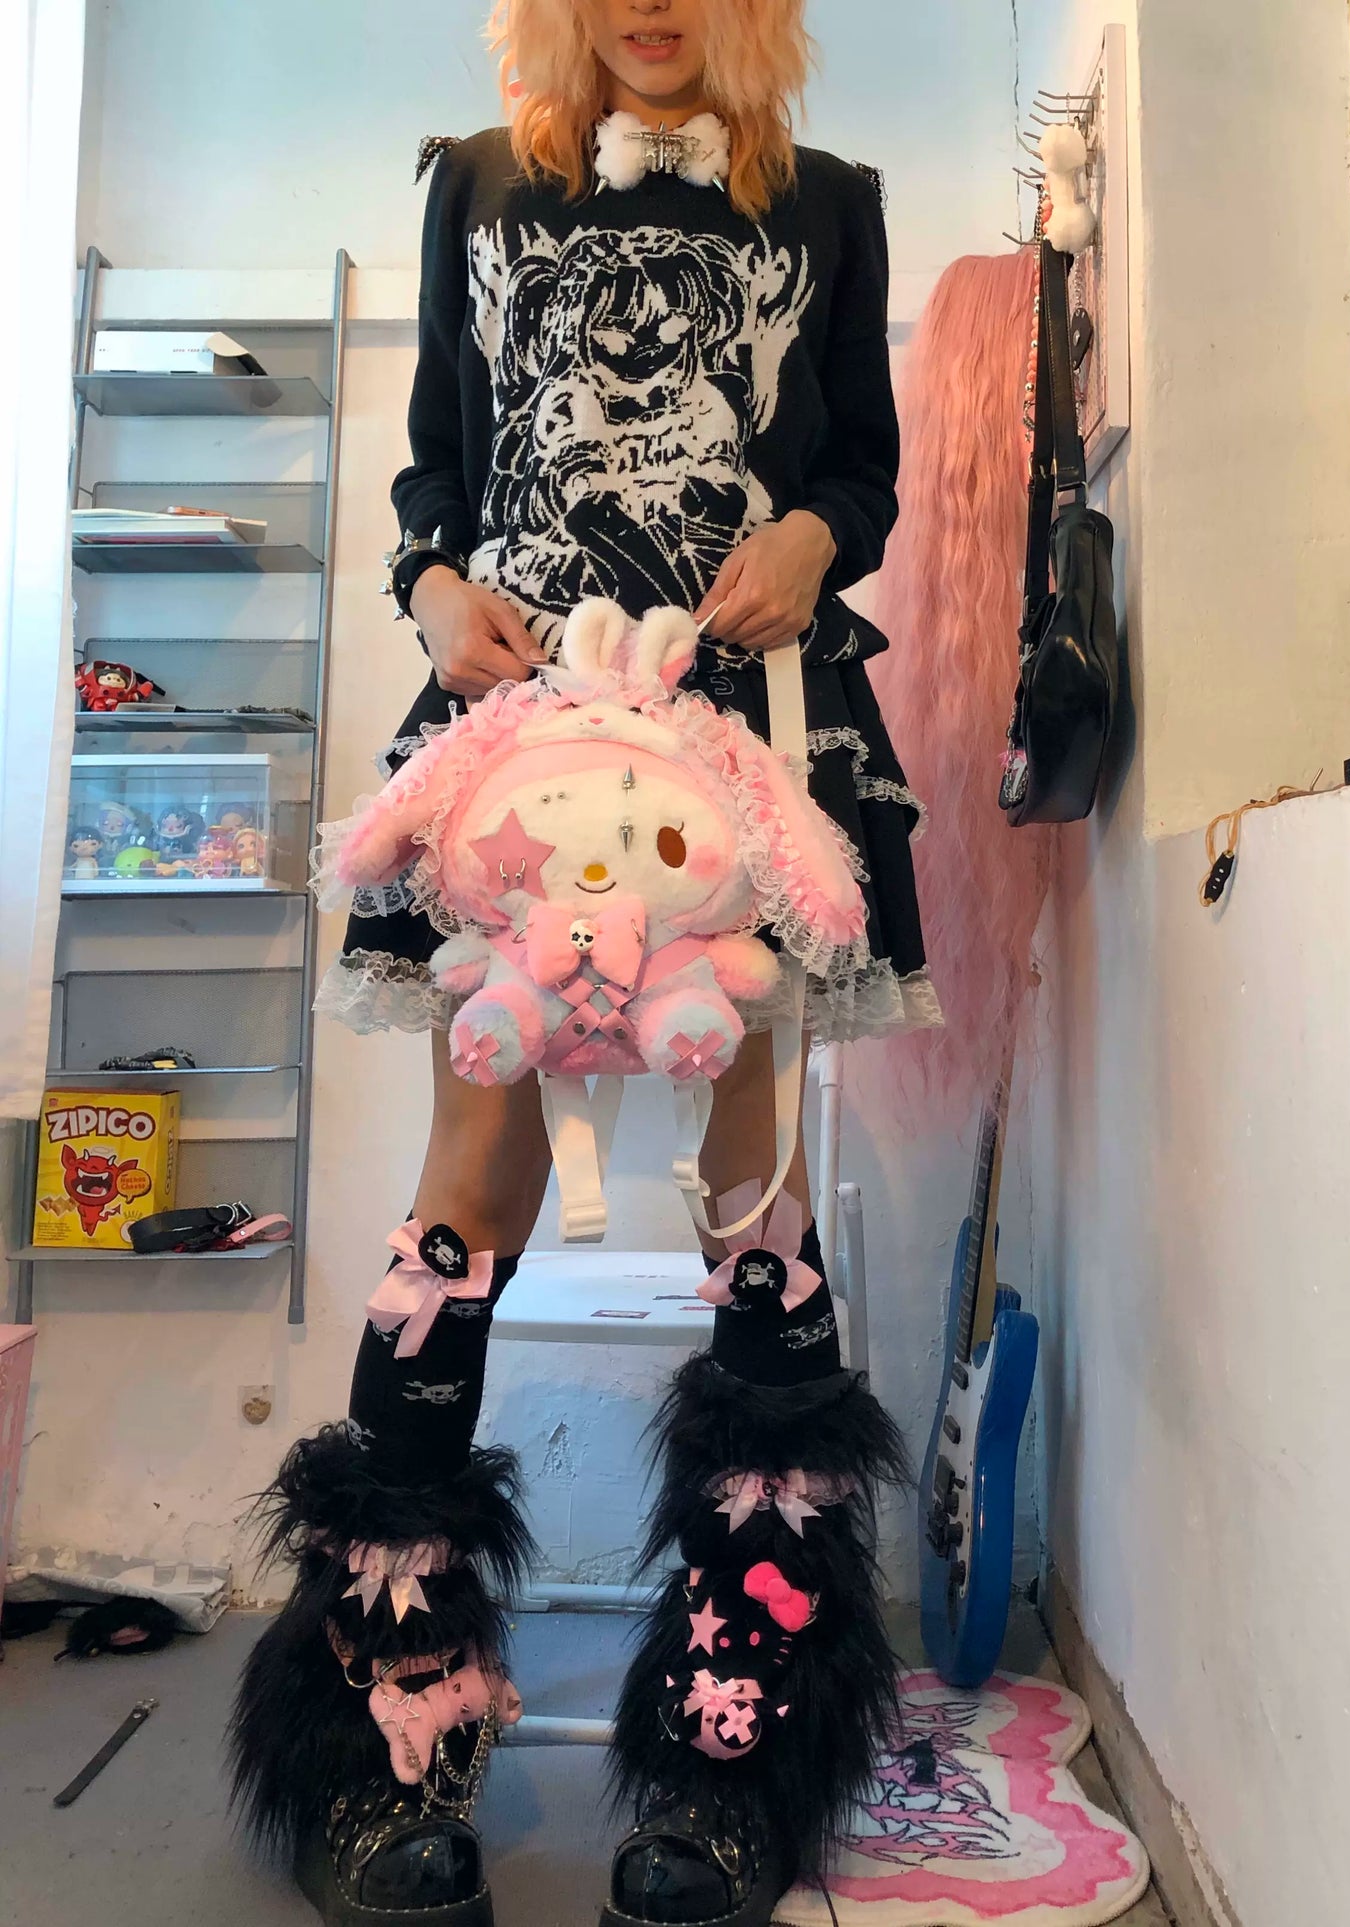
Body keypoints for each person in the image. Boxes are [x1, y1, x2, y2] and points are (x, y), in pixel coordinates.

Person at [231, 3, 942, 1923]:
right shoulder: (475, 186)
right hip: (515, 752)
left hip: (744, 743)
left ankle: (737, 1737)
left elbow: (862, 467)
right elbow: (434, 473)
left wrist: (811, 535)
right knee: (472, 1178)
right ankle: (392, 1725)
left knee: (753, 1187)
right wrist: (433, 587)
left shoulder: (832, 200)